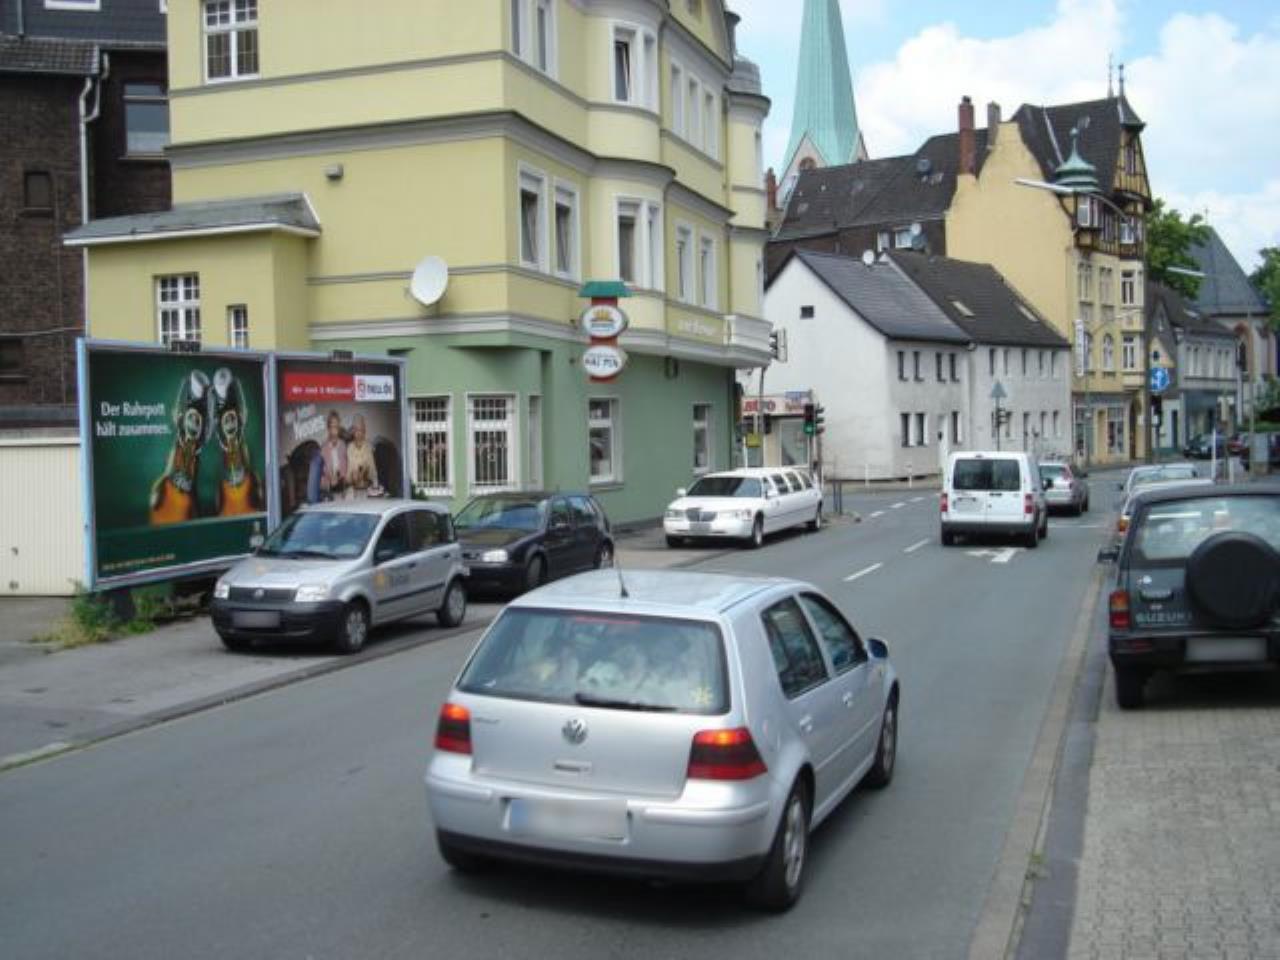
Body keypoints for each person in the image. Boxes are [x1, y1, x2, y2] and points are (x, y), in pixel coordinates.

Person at [345, 414, 379, 499]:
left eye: (361, 429)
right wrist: (352, 479)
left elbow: (373, 472)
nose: (359, 433)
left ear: (364, 431)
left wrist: (366, 476)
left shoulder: (369, 447)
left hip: (367, 488)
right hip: (353, 489)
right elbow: (347, 475)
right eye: (356, 429)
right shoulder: (349, 448)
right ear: (353, 431)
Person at [319, 410, 347, 499]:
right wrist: (330, 478)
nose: (335, 429)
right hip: (328, 484)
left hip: (341, 482)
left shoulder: (343, 445)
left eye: (337, 426)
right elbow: (323, 470)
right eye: (332, 426)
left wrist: (340, 477)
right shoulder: (324, 447)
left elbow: (345, 466)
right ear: (328, 428)